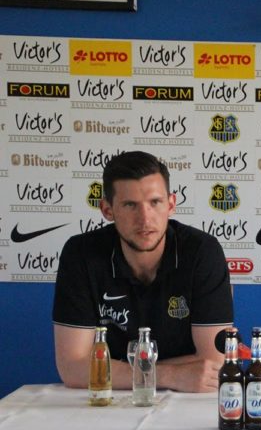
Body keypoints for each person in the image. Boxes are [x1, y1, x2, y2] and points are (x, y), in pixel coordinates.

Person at [53, 151, 233, 393]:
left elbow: (212, 365)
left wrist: (113, 370)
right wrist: (171, 375)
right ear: (107, 210)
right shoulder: (81, 253)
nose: (145, 218)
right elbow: (73, 367)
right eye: (130, 205)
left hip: (186, 401)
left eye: (155, 202)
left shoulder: (202, 251)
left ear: (171, 204)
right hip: (111, 399)